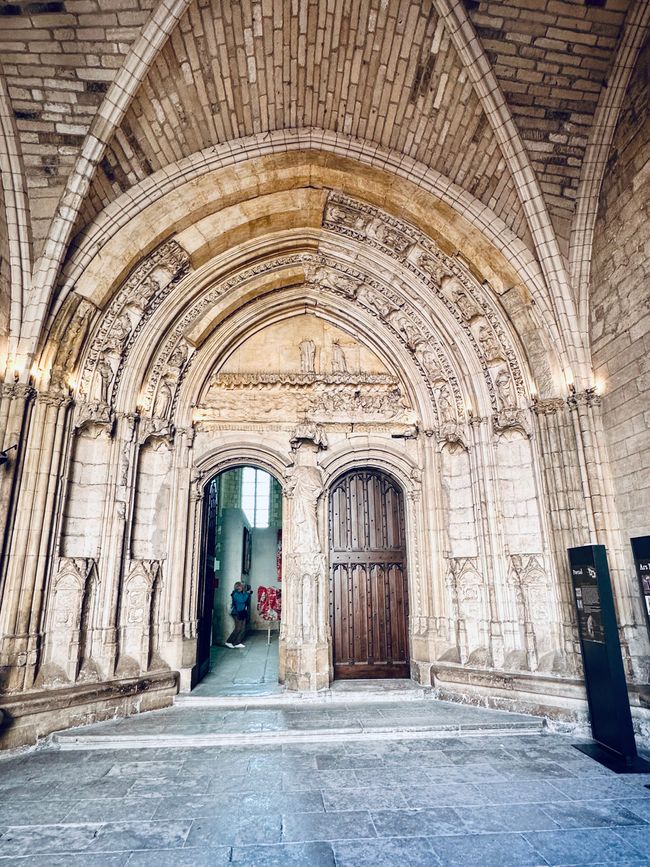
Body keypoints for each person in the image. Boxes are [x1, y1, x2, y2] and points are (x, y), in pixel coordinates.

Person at [225, 581, 251, 648]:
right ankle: (228, 642)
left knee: (243, 628)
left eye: (242, 586)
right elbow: (242, 600)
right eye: (240, 586)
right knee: (238, 628)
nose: (242, 587)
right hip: (236, 613)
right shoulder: (235, 594)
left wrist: (246, 593)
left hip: (242, 612)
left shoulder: (241, 593)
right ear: (237, 587)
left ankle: (237, 642)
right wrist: (247, 594)